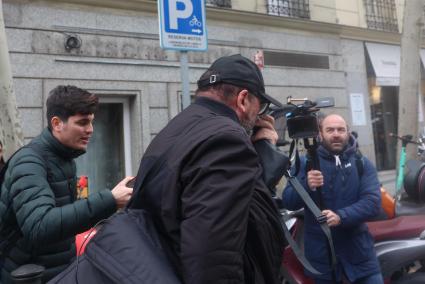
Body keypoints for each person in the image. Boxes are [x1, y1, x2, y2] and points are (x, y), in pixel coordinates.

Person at [130, 54, 286, 284]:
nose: (259, 116)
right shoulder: (227, 140)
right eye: (259, 106)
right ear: (243, 99)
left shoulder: (178, 127)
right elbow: (213, 259)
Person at [0, 85, 134, 283]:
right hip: (29, 276)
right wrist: (109, 200)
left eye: (91, 122)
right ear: (56, 123)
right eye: (82, 123)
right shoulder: (29, 162)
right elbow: (40, 226)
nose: (90, 130)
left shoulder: (63, 157)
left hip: (57, 272)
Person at [282, 114, 383, 284]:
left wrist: (340, 216)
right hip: (322, 259)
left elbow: (373, 203)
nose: (336, 134)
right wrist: (306, 185)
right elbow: (288, 201)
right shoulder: (304, 163)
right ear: (320, 133)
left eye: (340, 129)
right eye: (330, 130)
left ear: (347, 132)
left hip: (360, 256)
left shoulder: (362, 163)